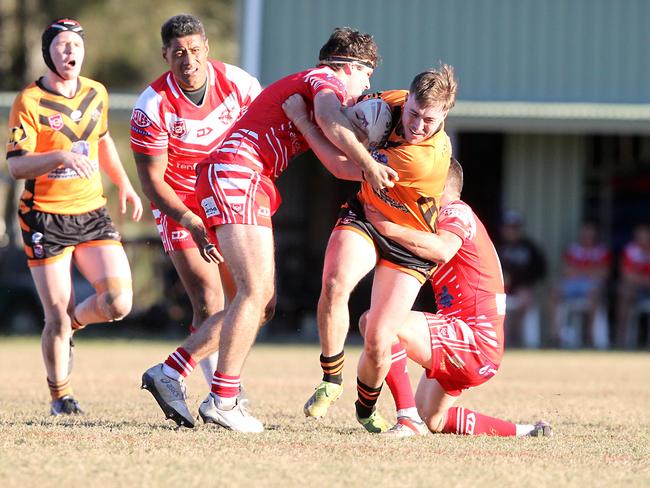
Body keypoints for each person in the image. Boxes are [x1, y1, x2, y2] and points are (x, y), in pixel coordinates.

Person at [141, 27, 393, 432]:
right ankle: (223, 399)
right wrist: (368, 158)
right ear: (350, 67)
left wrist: (369, 164)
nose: (367, 88)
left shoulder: (310, 102)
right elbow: (332, 119)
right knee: (253, 292)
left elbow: (337, 165)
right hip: (237, 174)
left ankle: (172, 372)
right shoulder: (322, 80)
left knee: (265, 303)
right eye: (367, 77)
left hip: (245, 178)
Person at [292, 65, 457, 432]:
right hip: (368, 215)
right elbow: (342, 115)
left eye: (429, 120)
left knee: (379, 339)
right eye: (414, 112)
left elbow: (339, 165)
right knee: (335, 282)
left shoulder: (424, 157)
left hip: (407, 237)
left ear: (445, 115)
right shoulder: (392, 102)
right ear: (408, 98)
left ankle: (365, 408)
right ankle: (331, 378)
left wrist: (305, 123)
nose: (417, 125)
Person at [5, 18, 143, 415]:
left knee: (118, 302)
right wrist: (62, 156)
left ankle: (74, 325)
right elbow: (16, 167)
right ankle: (60, 396)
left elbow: (102, 142)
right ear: (49, 52)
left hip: (91, 211)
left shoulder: (96, 93)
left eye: (77, 46)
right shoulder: (29, 101)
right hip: (44, 217)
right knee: (54, 317)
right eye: (63, 46)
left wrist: (126, 184)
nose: (71, 52)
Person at [362, 159, 552, 437]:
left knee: (378, 324)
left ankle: (406, 420)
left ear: (435, 181)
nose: (413, 187)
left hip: (472, 339)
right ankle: (527, 432)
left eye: (419, 177)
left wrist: (387, 228)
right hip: (477, 345)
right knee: (433, 420)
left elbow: (442, 250)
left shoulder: (455, 212)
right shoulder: (444, 220)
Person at [131, 14, 261, 386]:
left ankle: (210, 382)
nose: (188, 60)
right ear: (165, 55)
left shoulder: (238, 83)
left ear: (206, 48)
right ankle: (220, 389)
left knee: (257, 300)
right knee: (208, 300)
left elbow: (264, 131)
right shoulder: (151, 105)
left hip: (228, 196)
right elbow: (153, 182)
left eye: (193, 50)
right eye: (178, 53)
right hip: (180, 204)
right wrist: (190, 220)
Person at [548, 220, 611, 348]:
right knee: (554, 291)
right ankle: (555, 334)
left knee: (594, 293)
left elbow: (604, 273)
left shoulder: (601, 251)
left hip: (592, 285)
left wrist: (578, 271)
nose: (587, 236)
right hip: (572, 284)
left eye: (590, 233)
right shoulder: (573, 249)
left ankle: (590, 335)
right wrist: (590, 270)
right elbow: (565, 270)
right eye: (585, 232)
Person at [497, 210, 546, 347]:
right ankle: (500, 341)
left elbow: (540, 271)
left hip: (523, 290)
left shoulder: (530, 248)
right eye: (508, 227)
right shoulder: (497, 246)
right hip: (500, 290)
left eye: (514, 228)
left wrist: (527, 286)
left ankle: (515, 337)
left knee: (524, 299)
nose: (511, 231)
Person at [615, 223, 650, 348]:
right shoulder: (630, 250)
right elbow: (626, 275)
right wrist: (644, 281)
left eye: (645, 234)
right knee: (624, 291)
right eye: (639, 235)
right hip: (637, 290)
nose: (642, 238)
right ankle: (621, 338)